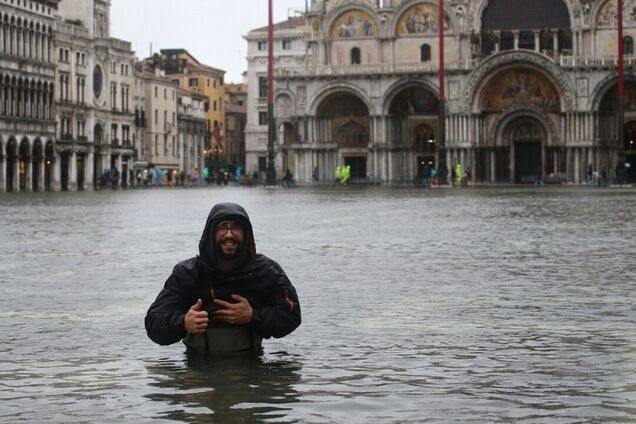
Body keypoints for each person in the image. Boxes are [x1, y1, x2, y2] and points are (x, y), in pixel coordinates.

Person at [145, 203, 301, 354]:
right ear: (210, 234)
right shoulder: (188, 274)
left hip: (250, 366)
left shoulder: (265, 271)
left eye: (236, 227)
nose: (229, 234)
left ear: (246, 234)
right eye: (222, 227)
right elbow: (153, 323)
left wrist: (253, 315)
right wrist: (184, 322)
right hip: (197, 369)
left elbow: (291, 316)